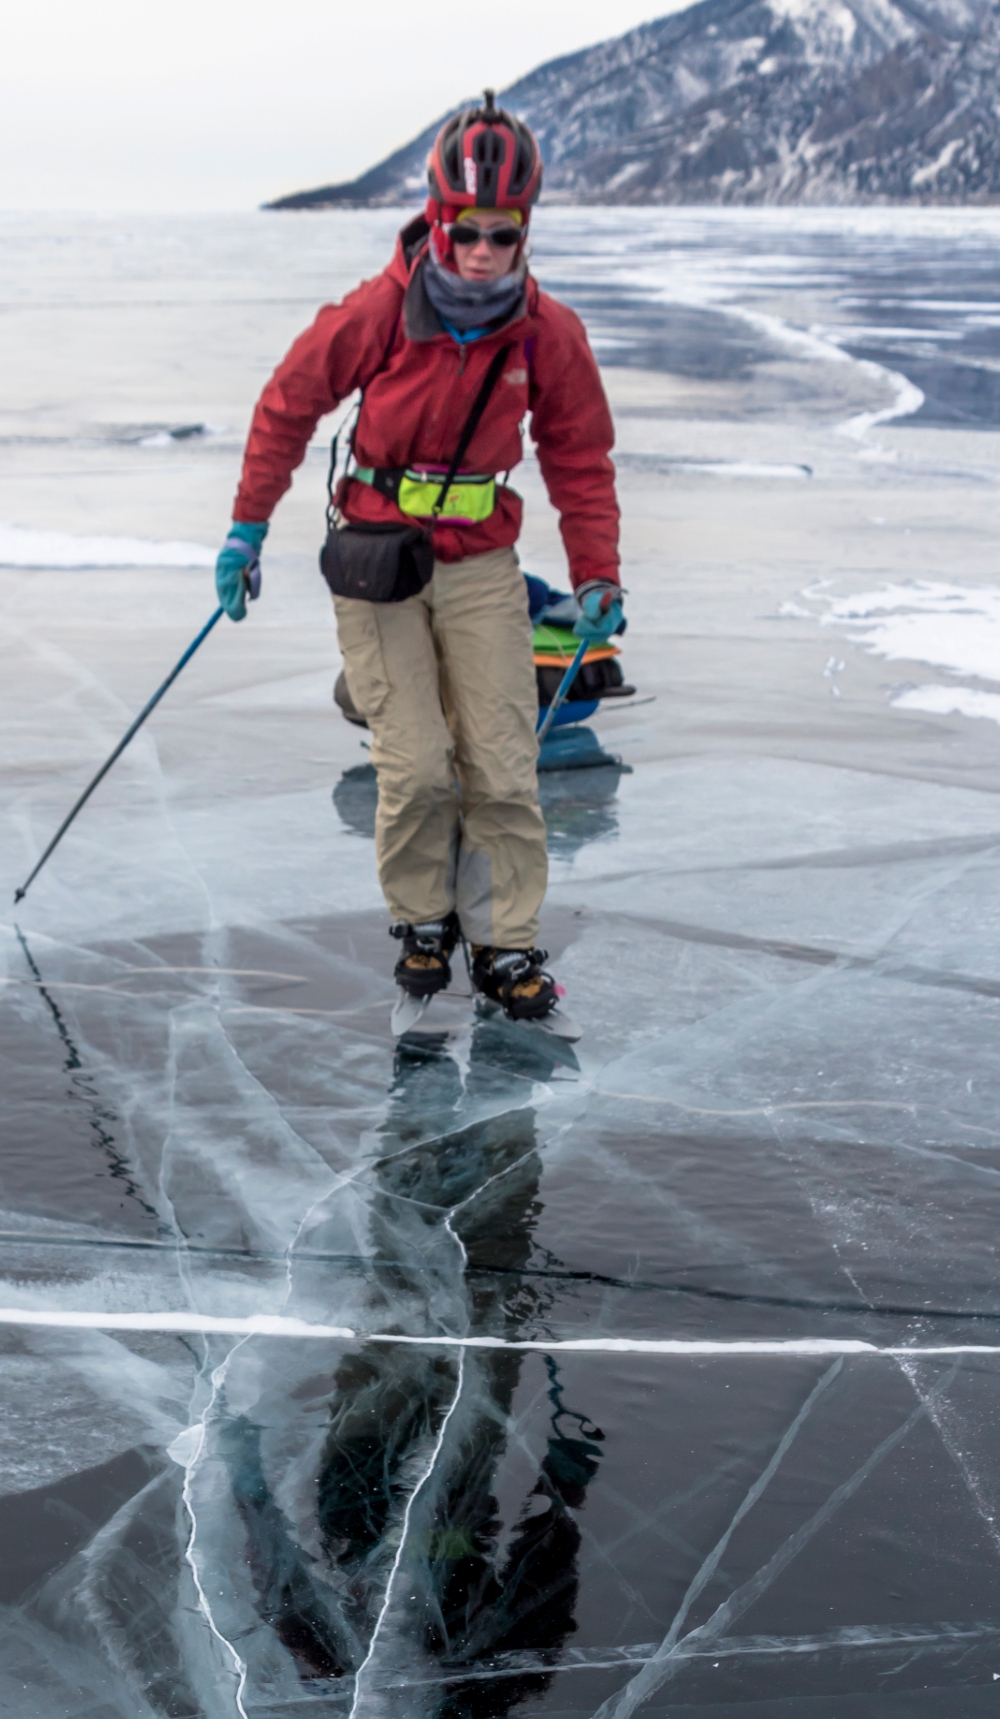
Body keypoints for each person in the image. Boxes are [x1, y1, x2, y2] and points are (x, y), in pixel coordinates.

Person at [215, 94, 622, 1024]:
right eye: (466, 231)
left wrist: (597, 572)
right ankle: (424, 922)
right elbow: (286, 405)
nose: (482, 252)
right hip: (380, 564)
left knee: (504, 763)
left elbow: (579, 457)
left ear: (525, 233)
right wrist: (247, 529)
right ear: (436, 222)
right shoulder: (378, 314)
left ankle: (507, 941)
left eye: (502, 235)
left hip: (481, 564)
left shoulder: (547, 335)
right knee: (418, 766)